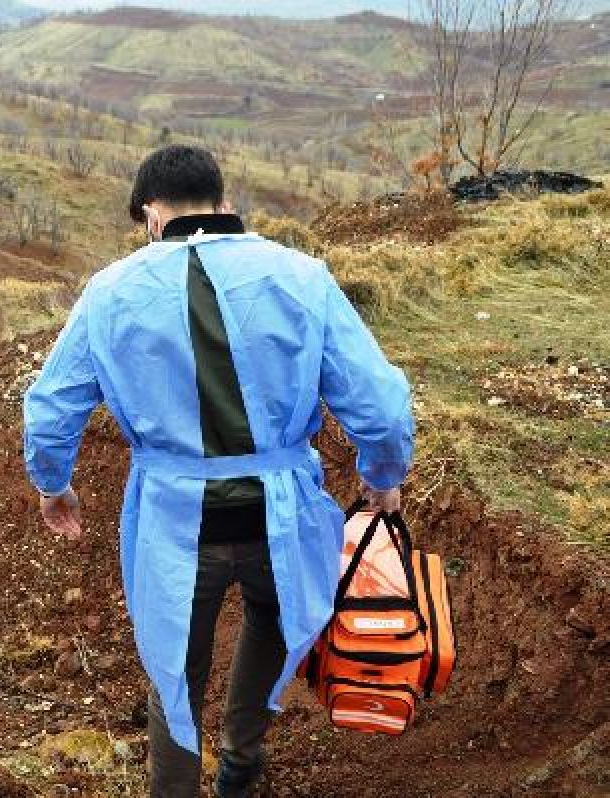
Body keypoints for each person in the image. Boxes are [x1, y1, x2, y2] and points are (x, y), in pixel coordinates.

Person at [22, 145, 414, 798]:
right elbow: (380, 405)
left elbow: (51, 410)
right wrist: (382, 474)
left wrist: (53, 484)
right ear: (223, 202)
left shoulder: (111, 292)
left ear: (152, 213)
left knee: (175, 667)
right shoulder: (302, 275)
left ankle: (174, 789)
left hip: (174, 522)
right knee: (270, 612)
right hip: (280, 513)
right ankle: (241, 755)